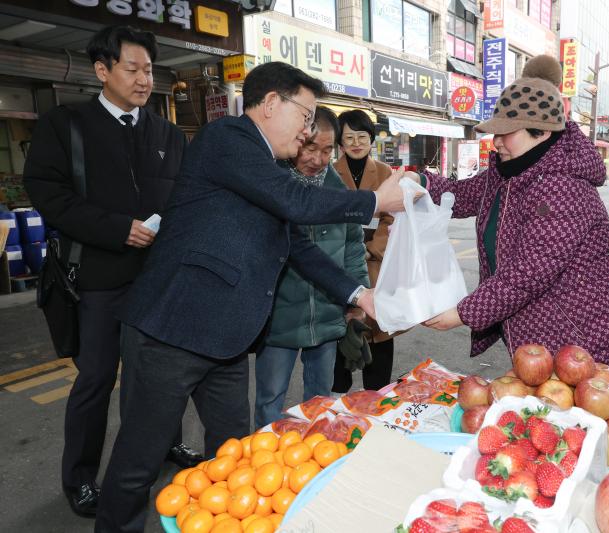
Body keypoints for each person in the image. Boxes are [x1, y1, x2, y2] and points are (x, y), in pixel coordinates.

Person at [94, 62, 408, 532]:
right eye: (305, 117)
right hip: (171, 331)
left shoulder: (268, 167)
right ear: (270, 104)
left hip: (227, 339)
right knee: (139, 462)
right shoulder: (228, 140)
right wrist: (374, 202)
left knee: (235, 456)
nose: (307, 132)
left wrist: (359, 293)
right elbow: (298, 203)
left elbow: (297, 244)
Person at [22, 25, 201, 518]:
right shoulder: (66, 125)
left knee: (160, 375)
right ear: (103, 70)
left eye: (149, 70)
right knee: (96, 380)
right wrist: (116, 229)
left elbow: (183, 197)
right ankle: (79, 477)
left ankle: (164, 444)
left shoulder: (166, 133)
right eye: (133, 69)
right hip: (98, 279)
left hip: (159, 279)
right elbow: (46, 192)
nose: (145, 79)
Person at [414, 55, 609, 388]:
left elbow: (526, 274)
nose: (498, 142)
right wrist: (420, 185)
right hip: (545, 352)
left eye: (508, 132)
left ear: (541, 133)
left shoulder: (562, 187)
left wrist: (462, 313)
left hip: (589, 354)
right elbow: (462, 195)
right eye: (496, 133)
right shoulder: (509, 172)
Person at [254, 106, 369, 428]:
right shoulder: (271, 188)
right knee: (270, 398)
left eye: (327, 150)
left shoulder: (339, 193)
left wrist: (356, 299)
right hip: (279, 317)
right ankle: (266, 461)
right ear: (296, 140)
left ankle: (316, 457)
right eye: (310, 147)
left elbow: (353, 248)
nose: (318, 159)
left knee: (320, 399)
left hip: (327, 314)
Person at [331, 109, 401, 392]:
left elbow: (393, 218)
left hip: (376, 265)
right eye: (349, 137)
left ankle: (376, 395)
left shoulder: (385, 173)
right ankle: (338, 396)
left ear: (371, 140)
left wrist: (371, 248)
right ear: (340, 141)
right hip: (340, 264)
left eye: (362, 136)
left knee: (379, 333)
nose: (356, 142)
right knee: (340, 334)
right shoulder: (330, 173)